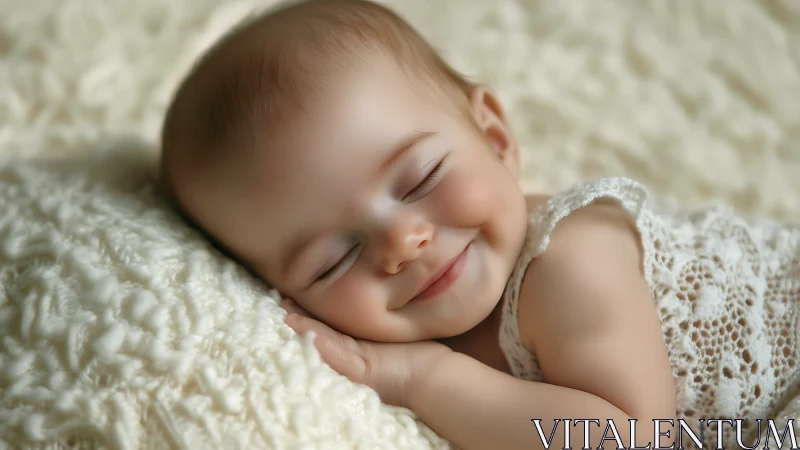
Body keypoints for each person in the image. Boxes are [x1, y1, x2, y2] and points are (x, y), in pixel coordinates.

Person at [157, 0, 800, 448]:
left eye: (419, 180)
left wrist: (425, 381)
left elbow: (636, 438)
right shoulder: (439, 310)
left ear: (494, 136)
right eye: (332, 260)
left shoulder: (569, 260)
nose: (401, 243)